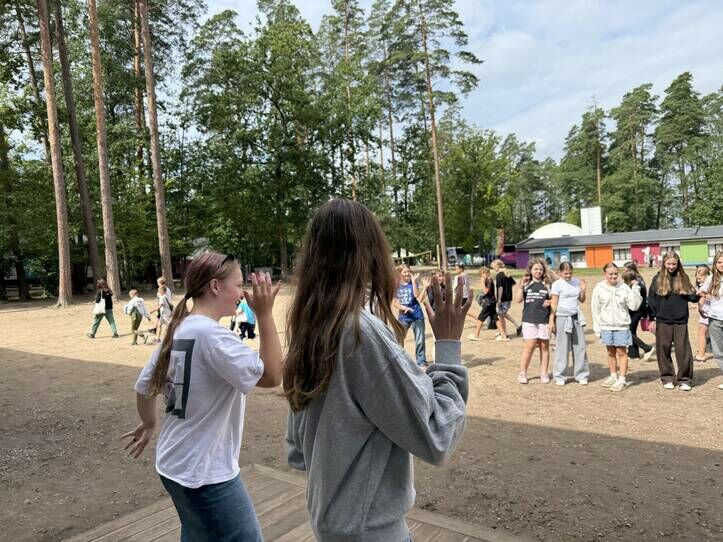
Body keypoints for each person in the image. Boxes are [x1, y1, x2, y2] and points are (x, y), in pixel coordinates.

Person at [283, 199, 471, 542]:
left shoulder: (311, 328)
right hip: (370, 531)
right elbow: (436, 436)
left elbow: (298, 451)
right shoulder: (360, 333)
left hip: (331, 524)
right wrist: (447, 348)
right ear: (372, 254)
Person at [122, 252, 283, 542]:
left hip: (174, 462)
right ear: (215, 286)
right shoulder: (213, 336)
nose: (243, 293)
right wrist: (265, 314)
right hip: (204, 472)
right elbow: (272, 375)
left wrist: (149, 423)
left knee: (200, 534)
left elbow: (144, 386)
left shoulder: (180, 328)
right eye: (238, 284)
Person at [648, 252, 700, 391]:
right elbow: (651, 300)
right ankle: (667, 377)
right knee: (663, 349)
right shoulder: (657, 279)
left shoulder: (683, 277)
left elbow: (692, 297)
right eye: (669, 264)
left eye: (674, 264)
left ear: (678, 264)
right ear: (664, 263)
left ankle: (685, 379)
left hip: (680, 320)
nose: (671, 266)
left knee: (683, 350)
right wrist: (652, 318)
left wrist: (697, 294)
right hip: (662, 320)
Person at [591, 263, 643, 392]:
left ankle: (622, 379)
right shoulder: (599, 288)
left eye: (615, 274)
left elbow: (634, 306)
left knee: (621, 352)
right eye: (610, 274)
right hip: (606, 325)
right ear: (605, 274)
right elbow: (595, 309)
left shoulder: (624, 287)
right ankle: (613, 376)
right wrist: (597, 328)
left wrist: (635, 289)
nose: (613, 276)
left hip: (621, 325)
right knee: (610, 352)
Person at [550, 262, 590, 385]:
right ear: (560, 273)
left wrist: (583, 290)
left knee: (580, 346)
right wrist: (552, 320)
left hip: (576, 316)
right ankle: (560, 375)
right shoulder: (557, 284)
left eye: (570, 273)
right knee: (562, 347)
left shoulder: (577, 282)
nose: (568, 275)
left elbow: (582, 300)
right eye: (565, 273)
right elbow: (554, 303)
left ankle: (581, 374)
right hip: (562, 317)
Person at [515, 258, 552, 384]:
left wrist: (549, 302)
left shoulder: (547, 285)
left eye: (540, 269)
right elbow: (518, 300)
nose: (538, 271)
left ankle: (544, 373)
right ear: (530, 270)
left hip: (544, 320)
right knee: (529, 347)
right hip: (529, 320)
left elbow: (554, 300)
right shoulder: (526, 284)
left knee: (544, 347)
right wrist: (521, 285)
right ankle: (522, 373)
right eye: (535, 269)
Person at [698, 252, 723, 389]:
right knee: (718, 352)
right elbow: (701, 292)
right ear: (715, 264)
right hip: (715, 319)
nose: (722, 264)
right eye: (719, 262)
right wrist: (702, 302)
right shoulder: (711, 279)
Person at [394, 264, 427, 367]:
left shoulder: (414, 283)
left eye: (408, 271)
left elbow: (416, 295)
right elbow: (395, 303)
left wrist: (413, 281)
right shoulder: (396, 286)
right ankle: (400, 360)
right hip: (404, 316)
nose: (407, 273)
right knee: (399, 338)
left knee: (420, 339)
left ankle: (421, 361)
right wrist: (404, 308)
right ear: (400, 273)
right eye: (405, 272)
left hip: (417, 315)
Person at [622, 263, 655, 362]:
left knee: (627, 332)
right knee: (631, 331)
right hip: (638, 311)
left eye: (625, 269)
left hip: (636, 311)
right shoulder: (638, 280)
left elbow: (637, 299)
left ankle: (647, 348)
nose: (624, 271)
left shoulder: (636, 283)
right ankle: (633, 354)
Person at [491, 259, 520, 341]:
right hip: (508, 298)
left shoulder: (499, 275)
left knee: (501, 315)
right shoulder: (507, 274)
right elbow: (514, 283)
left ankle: (514, 327)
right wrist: (508, 289)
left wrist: (499, 299)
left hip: (503, 298)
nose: (493, 269)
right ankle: (504, 332)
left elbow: (500, 287)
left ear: (497, 266)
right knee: (502, 315)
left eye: (493, 267)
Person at [468, 266, 497, 341]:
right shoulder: (488, 279)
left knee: (480, 318)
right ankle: (503, 335)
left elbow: (486, 291)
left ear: (487, 273)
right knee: (496, 318)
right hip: (491, 301)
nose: (482, 275)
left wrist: (482, 282)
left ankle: (476, 335)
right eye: (481, 274)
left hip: (488, 302)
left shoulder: (489, 280)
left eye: (483, 273)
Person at [694, 264, 711, 362]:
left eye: (700, 278)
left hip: (707, 312)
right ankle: (701, 350)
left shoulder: (708, 285)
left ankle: (701, 355)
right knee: (702, 331)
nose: (698, 280)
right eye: (697, 278)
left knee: (702, 332)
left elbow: (704, 298)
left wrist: (700, 306)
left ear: (707, 276)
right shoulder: (703, 285)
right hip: (706, 311)